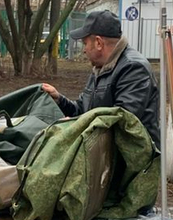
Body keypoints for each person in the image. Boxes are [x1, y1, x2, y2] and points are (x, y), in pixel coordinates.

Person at [41, 10, 159, 144]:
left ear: (98, 43)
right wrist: (59, 100)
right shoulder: (100, 68)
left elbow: (120, 122)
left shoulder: (134, 68)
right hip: (104, 156)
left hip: (134, 161)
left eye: (85, 43)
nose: (84, 50)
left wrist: (74, 126)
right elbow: (82, 110)